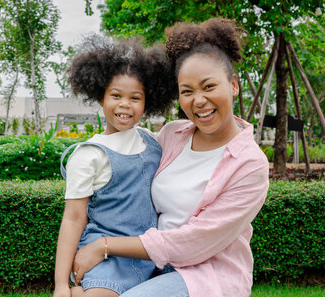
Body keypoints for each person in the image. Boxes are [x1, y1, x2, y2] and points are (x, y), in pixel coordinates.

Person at [71, 18, 270, 297]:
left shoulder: (250, 164)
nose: (198, 100)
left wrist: (106, 245)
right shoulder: (172, 135)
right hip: (149, 266)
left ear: (234, 85)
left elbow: (194, 243)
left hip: (206, 277)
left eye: (209, 87)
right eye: (187, 91)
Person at [54, 37, 175, 297]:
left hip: (149, 253)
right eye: (116, 95)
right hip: (107, 259)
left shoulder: (151, 141)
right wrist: (61, 285)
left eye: (135, 97)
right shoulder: (89, 155)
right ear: (101, 98)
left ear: (147, 102)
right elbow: (74, 218)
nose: (124, 105)